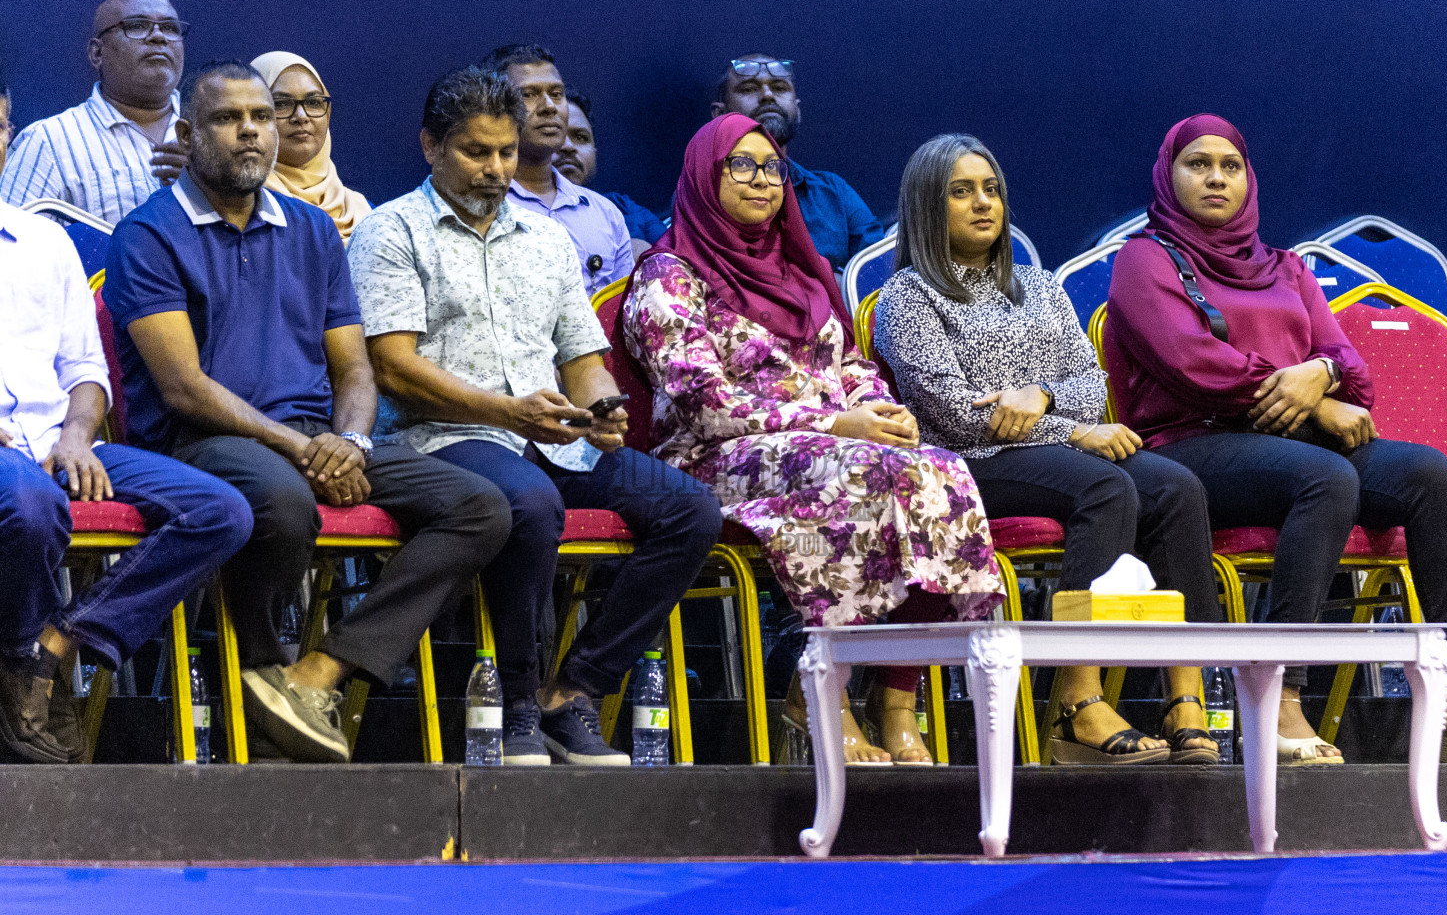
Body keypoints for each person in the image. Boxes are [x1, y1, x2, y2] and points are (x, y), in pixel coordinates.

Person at [104, 62, 512, 764]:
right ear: (187, 132)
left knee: (481, 507)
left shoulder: (313, 230)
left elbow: (354, 368)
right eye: (229, 119)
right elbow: (184, 388)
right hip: (201, 442)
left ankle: (313, 674)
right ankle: (261, 667)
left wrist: (350, 440)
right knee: (284, 500)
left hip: (317, 441)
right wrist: (303, 449)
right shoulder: (148, 234)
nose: (251, 133)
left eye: (260, 118)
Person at [1105, 113, 1447, 764]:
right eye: (1198, 163)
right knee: (1325, 477)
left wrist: (1318, 376)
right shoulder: (1144, 259)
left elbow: (1350, 365)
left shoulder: (1285, 267)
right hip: (1190, 445)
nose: (1216, 176)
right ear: (1169, 173)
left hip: (1293, 444)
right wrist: (1315, 404)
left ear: (1249, 178)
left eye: (1230, 165)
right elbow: (1190, 362)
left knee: (1429, 475)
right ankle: (1282, 693)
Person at [348, 66, 722, 766]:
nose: (495, 169)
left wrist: (600, 409)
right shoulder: (389, 231)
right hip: (440, 439)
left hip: (547, 432)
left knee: (691, 510)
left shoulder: (544, 239)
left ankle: (573, 692)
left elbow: (582, 358)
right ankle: (514, 707)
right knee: (529, 499)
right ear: (430, 145)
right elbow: (394, 368)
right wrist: (511, 414)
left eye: (506, 152)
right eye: (476, 152)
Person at [624, 114, 1003, 767]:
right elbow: (702, 400)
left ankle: (896, 700)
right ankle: (820, 690)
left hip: (827, 446)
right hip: (713, 458)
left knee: (939, 471)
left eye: (772, 167)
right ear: (702, 177)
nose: (763, 180)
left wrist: (887, 416)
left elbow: (852, 372)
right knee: (854, 472)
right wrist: (833, 425)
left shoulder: (804, 276)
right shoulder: (669, 276)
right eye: (740, 165)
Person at [875, 134, 1220, 765]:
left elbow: (1090, 385)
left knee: (1175, 487)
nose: (984, 204)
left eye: (992, 189)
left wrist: (1040, 397)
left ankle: (1185, 699)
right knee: (1106, 487)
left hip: (1050, 450)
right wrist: (1072, 430)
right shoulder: (908, 297)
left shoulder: (1038, 286)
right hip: (964, 468)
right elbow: (958, 415)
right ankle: (1077, 703)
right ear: (927, 206)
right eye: (961, 192)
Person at [0, 199, 251, 764]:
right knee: (31, 504)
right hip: (6, 459)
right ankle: (18, 661)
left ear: (7, 135)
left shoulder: (45, 241)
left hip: (55, 436)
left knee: (220, 511)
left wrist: (76, 436)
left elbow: (84, 369)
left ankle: (51, 647)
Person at [0, 0, 189, 225]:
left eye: (171, 28)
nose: (158, 36)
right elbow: (10, 246)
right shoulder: (50, 142)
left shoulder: (218, 131)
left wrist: (213, 185)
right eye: (137, 26)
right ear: (97, 53)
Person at [480, 45, 633, 295]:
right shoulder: (477, 208)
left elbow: (624, 316)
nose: (549, 106)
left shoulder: (604, 214)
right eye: (528, 94)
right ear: (493, 107)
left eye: (556, 93)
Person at [710, 53, 885, 272]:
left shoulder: (834, 192)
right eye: (749, 89)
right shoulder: (703, 193)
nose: (767, 95)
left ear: (798, 110)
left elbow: (878, 274)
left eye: (780, 87)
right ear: (719, 114)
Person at [249, 52, 371, 241]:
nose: (301, 116)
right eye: (281, 104)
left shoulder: (362, 210)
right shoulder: (244, 209)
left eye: (313, 102)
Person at [556, 89, 665, 257]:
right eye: (555, 135)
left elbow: (676, 260)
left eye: (580, 137)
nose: (569, 147)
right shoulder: (517, 216)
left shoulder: (625, 209)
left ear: (594, 149)